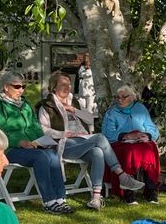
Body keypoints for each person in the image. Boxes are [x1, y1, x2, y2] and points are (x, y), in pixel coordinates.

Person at [36, 71, 144, 210]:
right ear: (54, 87)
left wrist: (73, 110)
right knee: (99, 138)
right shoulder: (47, 106)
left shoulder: (74, 101)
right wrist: (65, 133)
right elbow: (44, 130)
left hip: (82, 141)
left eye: (69, 84)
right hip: (62, 144)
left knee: (98, 152)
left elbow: (89, 118)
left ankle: (96, 198)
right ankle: (122, 176)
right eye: (63, 85)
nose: (67, 87)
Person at [0, 73, 75, 214]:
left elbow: (35, 126)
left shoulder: (25, 104)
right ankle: (49, 201)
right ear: (6, 87)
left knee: (52, 154)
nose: (21, 90)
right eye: (17, 86)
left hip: (30, 146)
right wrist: (18, 141)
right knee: (40, 157)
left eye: (23, 86)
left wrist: (42, 141)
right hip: (8, 149)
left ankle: (60, 199)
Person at [101, 85, 162, 204]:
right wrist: (125, 136)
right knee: (130, 152)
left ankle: (151, 190)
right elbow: (107, 134)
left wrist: (147, 135)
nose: (120, 100)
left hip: (140, 141)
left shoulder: (140, 108)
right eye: (117, 97)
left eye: (124, 97)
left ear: (132, 97)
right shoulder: (112, 112)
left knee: (150, 148)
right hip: (120, 144)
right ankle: (128, 192)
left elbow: (152, 128)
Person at [76, 52, 97, 116]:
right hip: (83, 89)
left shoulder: (93, 66)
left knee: (90, 105)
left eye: (88, 57)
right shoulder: (81, 67)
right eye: (85, 57)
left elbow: (90, 74)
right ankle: (82, 117)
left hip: (91, 89)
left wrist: (88, 69)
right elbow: (81, 74)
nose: (86, 59)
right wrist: (87, 69)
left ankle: (89, 118)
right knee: (81, 104)